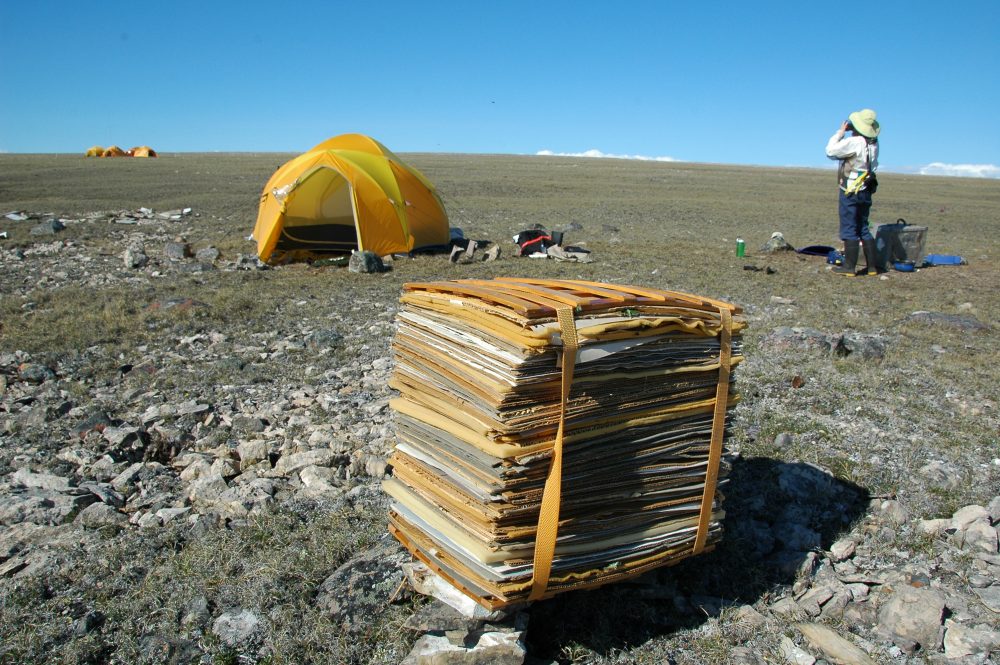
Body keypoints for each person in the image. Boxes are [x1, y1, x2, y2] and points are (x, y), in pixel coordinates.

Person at [825, 109, 880, 275]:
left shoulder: (855, 142)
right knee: (863, 227)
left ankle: (849, 267)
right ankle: (871, 267)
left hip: (851, 190)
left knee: (849, 227)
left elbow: (830, 151)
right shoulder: (874, 143)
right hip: (866, 189)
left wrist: (840, 133)